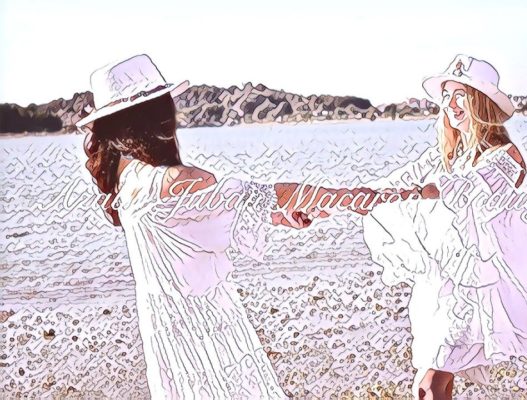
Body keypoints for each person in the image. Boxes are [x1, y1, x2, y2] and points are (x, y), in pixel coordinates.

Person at [76, 54, 390, 399]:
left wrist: (274, 215)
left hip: (166, 337)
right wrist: (353, 197)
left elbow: (195, 226)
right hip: (210, 332)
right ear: (158, 117)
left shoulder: (126, 181)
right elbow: (269, 194)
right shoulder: (183, 181)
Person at [361, 55, 527, 399]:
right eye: (447, 96)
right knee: (435, 382)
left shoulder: (506, 157)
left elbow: (463, 189)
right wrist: (345, 199)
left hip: (482, 289)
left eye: (461, 95)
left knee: (429, 385)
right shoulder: (451, 155)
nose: (451, 104)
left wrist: (415, 192)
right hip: (450, 285)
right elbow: (401, 179)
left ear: (481, 102)